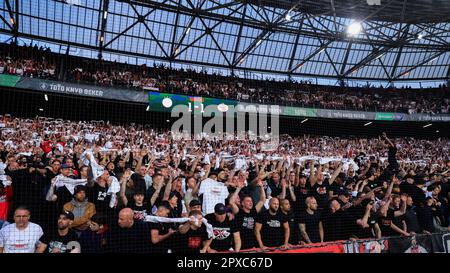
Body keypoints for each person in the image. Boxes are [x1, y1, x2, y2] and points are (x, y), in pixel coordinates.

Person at [230, 182, 266, 250]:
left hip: (252, 245)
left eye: (251, 201)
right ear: (242, 203)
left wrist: (261, 187)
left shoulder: (253, 212)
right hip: (240, 246)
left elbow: (262, 200)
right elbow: (231, 202)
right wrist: (238, 188)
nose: (251, 202)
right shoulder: (239, 212)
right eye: (248, 201)